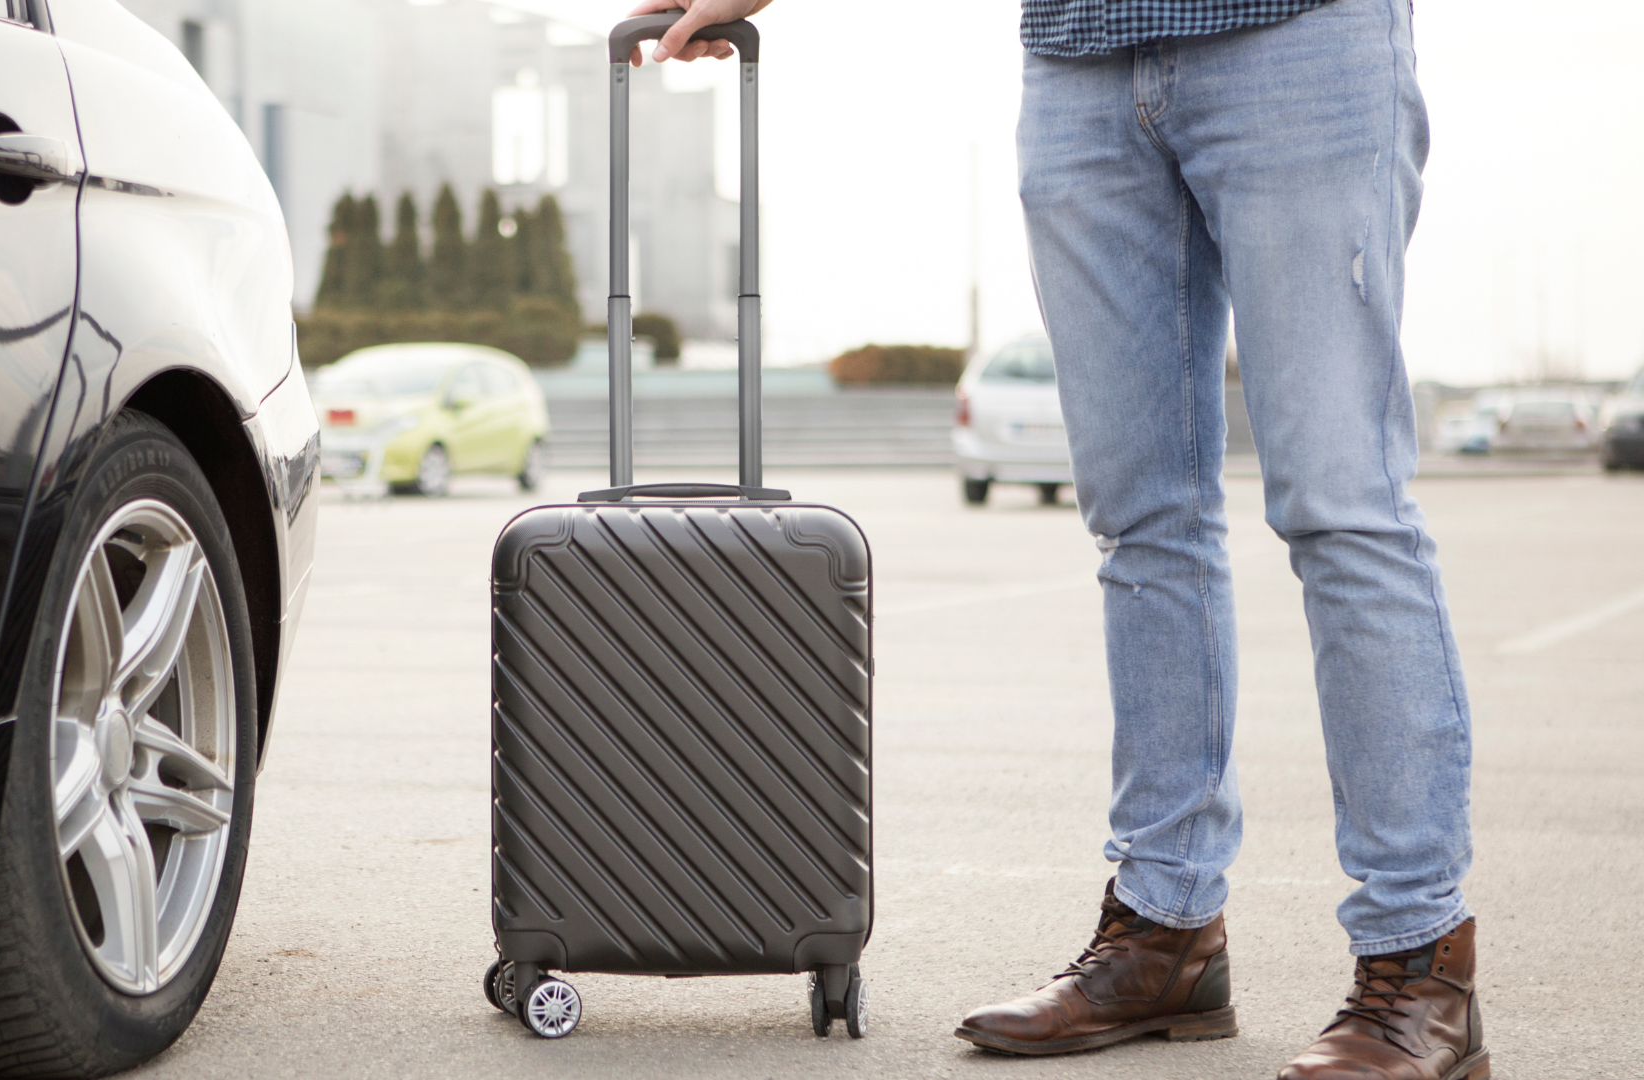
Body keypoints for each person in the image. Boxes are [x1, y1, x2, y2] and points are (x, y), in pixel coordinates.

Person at [633, 1, 1484, 1077]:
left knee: (1341, 507)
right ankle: (1166, 930)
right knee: (1142, 525)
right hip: (1081, 56)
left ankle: (1421, 968)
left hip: (1297, 37)